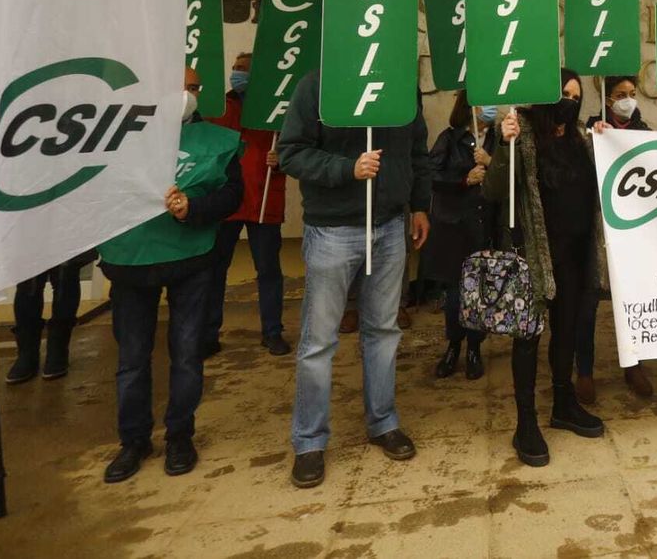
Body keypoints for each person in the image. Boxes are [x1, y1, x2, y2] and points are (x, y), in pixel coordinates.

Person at [279, 68, 431, 489]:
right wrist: (347, 169)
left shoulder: (402, 84)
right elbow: (291, 152)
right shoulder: (317, 84)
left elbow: (417, 150)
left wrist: (420, 205)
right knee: (318, 341)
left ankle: (383, 422)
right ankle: (309, 441)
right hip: (332, 229)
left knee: (383, 330)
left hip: (389, 225)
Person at [94, 66, 243, 482]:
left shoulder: (216, 141)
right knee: (132, 360)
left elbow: (232, 196)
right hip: (130, 263)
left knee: (187, 355)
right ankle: (133, 441)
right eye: (178, 86)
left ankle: (180, 436)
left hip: (191, 261)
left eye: (193, 87)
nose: (186, 95)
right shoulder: (116, 135)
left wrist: (193, 209)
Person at [483, 70, 607, 467]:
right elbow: (493, 190)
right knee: (528, 337)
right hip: (534, 256)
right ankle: (526, 422)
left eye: (576, 96)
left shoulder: (582, 139)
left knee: (566, 331)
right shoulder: (521, 136)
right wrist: (505, 147)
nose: (569, 102)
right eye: (563, 94)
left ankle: (563, 403)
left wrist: (609, 143)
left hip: (575, 255)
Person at [576, 75, 656, 401]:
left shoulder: (645, 133)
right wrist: (595, 141)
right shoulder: (589, 131)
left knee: (632, 302)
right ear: (607, 99)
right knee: (587, 305)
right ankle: (584, 371)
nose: (628, 100)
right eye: (621, 94)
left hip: (632, 231)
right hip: (595, 229)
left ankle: (634, 365)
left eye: (632, 93)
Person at [205, 52, 289, 357]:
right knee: (216, 270)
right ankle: (209, 334)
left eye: (243, 69)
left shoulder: (276, 109)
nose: (236, 73)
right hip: (226, 201)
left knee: (268, 270)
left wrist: (282, 159)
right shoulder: (220, 106)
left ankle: (272, 332)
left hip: (264, 200)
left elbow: (297, 148)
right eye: (235, 68)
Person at [0, 196, 91, 383]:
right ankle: (27, 353)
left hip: (66, 211)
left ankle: (58, 348)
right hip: (27, 214)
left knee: (65, 279)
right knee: (29, 284)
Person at [424, 92, 495, 381]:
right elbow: (431, 175)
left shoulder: (498, 138)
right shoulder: (450, 138)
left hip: (483, 226)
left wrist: (490, 162)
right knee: (455, 293)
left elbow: (512, 176)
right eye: (484, 102)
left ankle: (475, 348)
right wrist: (464, 180)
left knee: (478, 291)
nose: (490, 108)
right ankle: (454, 345)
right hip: (454, 226)